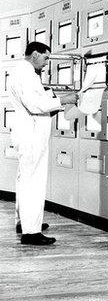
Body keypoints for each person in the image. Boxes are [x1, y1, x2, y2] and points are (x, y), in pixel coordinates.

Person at [8, 41, 78, 245]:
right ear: (36, 54)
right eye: (46, 58)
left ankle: (25, 222)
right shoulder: (26, 74)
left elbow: (35, 99)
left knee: (25, 179)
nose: (47, 63)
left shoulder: (24, 72)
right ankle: (31, 232)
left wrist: (51, 98)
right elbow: (35, 104)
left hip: (28, 132)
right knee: (33, 181)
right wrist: (63, 100)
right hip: (31, 134)